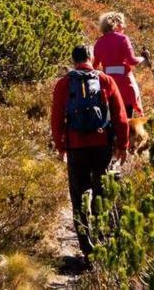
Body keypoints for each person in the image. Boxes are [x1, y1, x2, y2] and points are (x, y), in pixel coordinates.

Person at [50, 44, 129, 262]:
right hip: (101, 144)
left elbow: (56, 119)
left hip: (76, 148)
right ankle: (103, 241)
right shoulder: (105, 80)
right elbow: (120, 116)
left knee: (79, 196)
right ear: (91, 58)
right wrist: (123, 144)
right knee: (101, 192)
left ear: (73, 60)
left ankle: (88, 250)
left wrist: (60, 147)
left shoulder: (64, 84)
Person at [93, 11, 147, 118]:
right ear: (116, 24)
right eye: (122, 23)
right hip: (125, 85)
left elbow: (94, 66)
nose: (124, 27)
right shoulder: (123, 39)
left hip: (108, 86)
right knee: (126, 120)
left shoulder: (99, 42)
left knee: (111, 120)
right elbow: (132, 61)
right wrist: (143, 58)